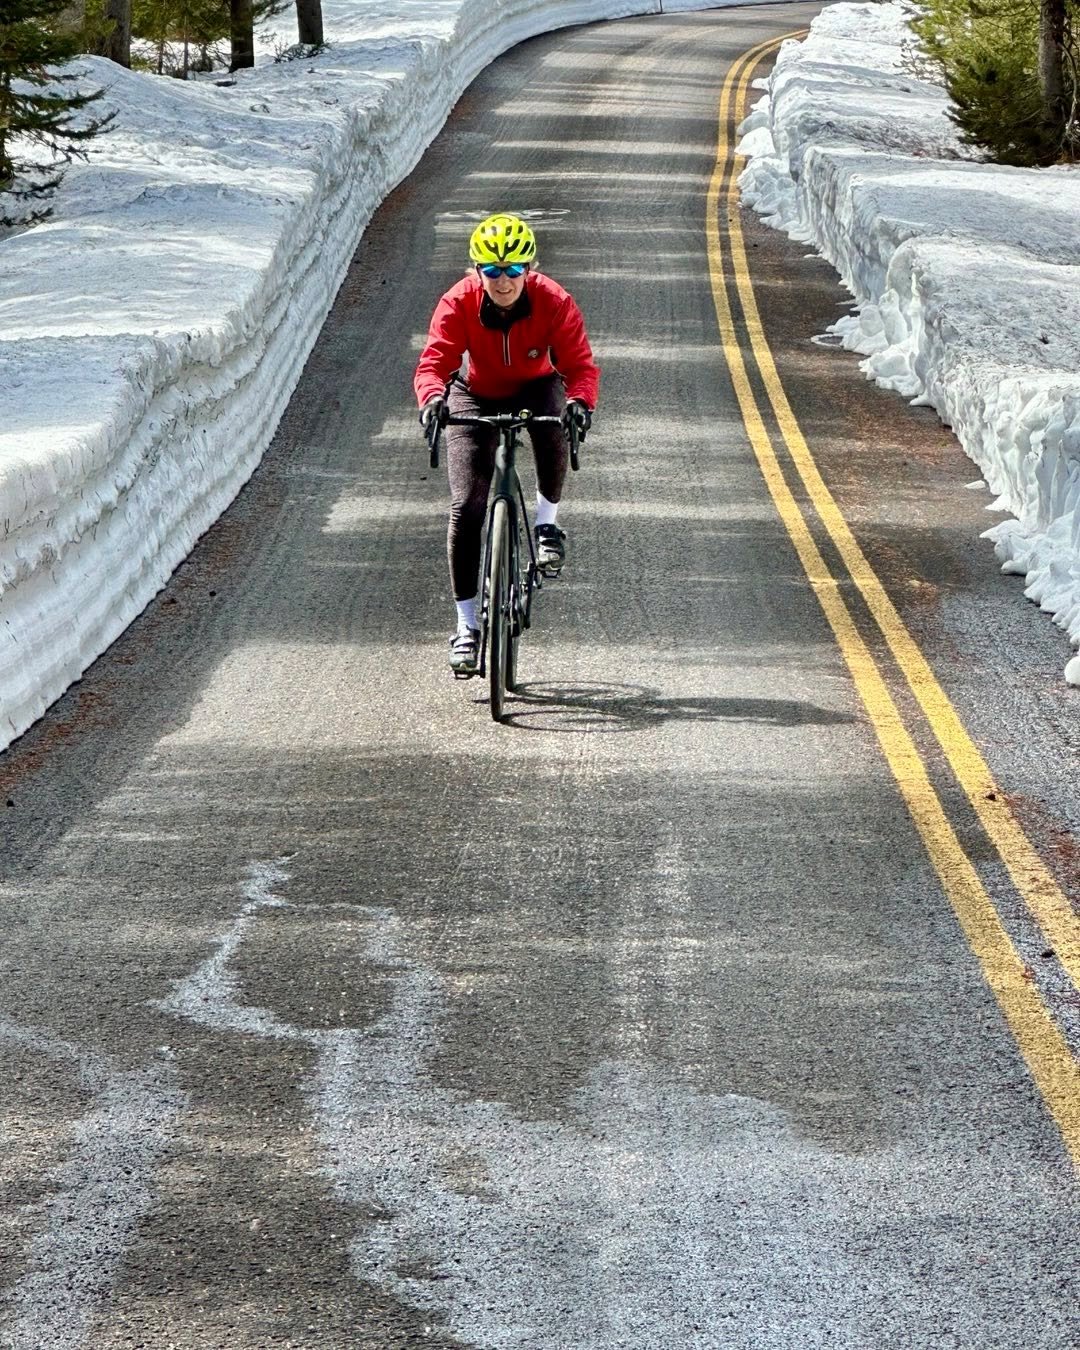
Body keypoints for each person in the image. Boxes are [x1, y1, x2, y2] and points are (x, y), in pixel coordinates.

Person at [414, 213, 600, 673]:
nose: (503, 280)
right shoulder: (457, 302)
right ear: (476, 270)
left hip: (535, 386)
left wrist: (580, 402)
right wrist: (433, 399)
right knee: (467, 503)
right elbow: (433, 363)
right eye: (492, 271)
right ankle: (467, 625)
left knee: (555, 420)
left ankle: (545, 525)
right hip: (474, 392)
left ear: (529, 268)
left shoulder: (554, 302)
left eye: (514, 270)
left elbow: (580, 367)